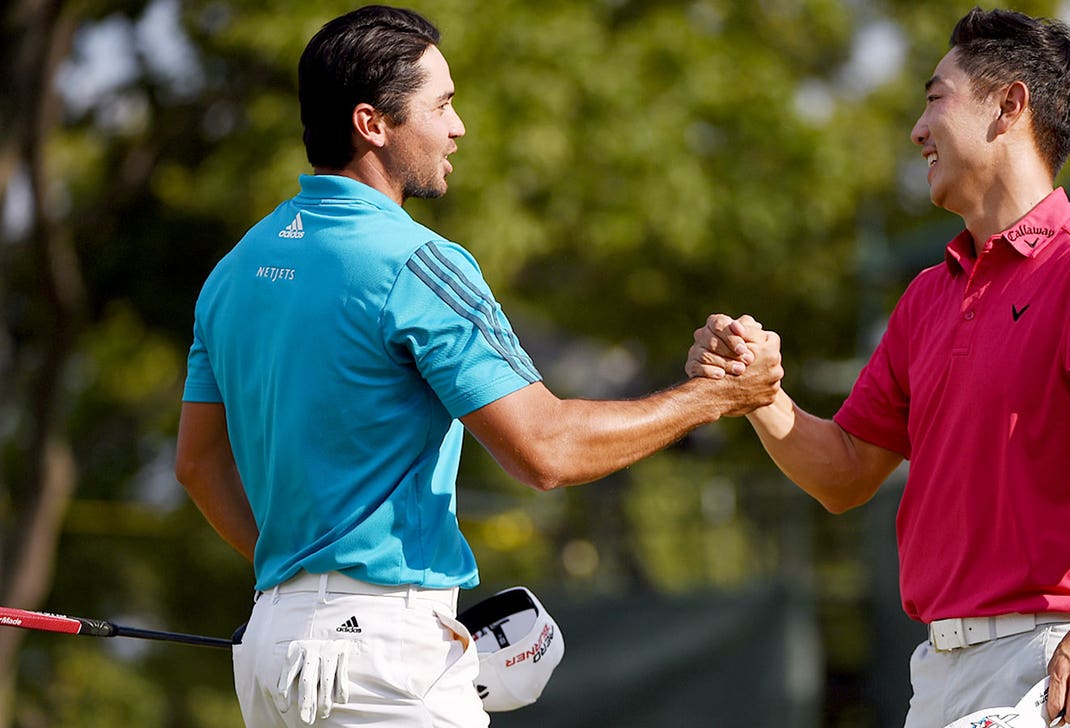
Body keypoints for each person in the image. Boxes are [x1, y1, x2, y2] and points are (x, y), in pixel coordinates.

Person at [173, 6, 781, 727]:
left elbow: (197, 466)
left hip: (273, 649)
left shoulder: (234, 270)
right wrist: (717, 397)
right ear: (373, 123)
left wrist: (302, 585)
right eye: (443, 105)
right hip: (380, 663)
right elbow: (545, 450)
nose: (458, 127)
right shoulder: (418, 262)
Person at [690, 7, 1070, 727]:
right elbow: (844, 473)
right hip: (939, 673)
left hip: (1056, 662)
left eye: (935, 99)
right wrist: (758, 394)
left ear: (1010, 105)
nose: (918, 131)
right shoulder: (927, 296)